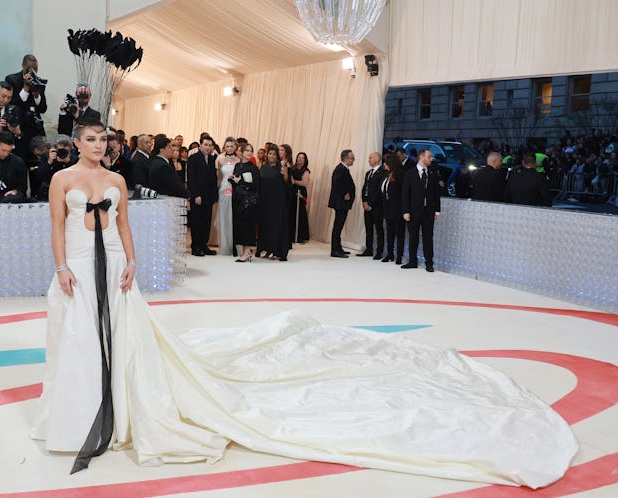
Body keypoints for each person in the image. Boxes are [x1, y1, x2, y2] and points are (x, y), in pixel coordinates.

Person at [30, 120, 577, 485]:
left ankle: (122, 406)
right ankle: (78, 412)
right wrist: (61, 267)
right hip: (76, 266)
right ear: (77, 143)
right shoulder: (60, 179)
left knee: (123, 339)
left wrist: (132, 262)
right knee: (78, 338)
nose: (97, 147)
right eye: (90, 141)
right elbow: (57, 228)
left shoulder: (120, 179)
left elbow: (124, 226)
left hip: (114, 267)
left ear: (108, 145)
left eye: (103, 140)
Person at [401, 148, 441, 272]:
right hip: (413, 211)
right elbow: (405, 194)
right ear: (422, 157)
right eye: (429, 156)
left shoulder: (432, 174)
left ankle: (429, 263)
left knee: (428, 237)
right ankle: (412, 261)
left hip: (428, 211)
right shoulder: (409, 173)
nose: (431, 159)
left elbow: (436, 194)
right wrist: (405, 211)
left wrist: (437, 211)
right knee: (413, 236)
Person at [256, 145, 290, 261]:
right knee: (265, 226)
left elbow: (287, 183)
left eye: (274, 154)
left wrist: (285, 173)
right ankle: (267, 250)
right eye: (270, 153)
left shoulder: (281, 168)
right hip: (265, 202)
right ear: (267, 155)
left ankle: (275, 251)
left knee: (276, 226)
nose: (272, 156)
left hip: (277, 203)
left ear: (277, 156)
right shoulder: (263, 168)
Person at [186, 135, 218, 257]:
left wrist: (214, 196)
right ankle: (196, 246)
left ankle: (204, 245)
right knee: (196, 221)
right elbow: (191, 178)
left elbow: (213, 179)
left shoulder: (211, 159)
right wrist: (196, 195)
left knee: (206, 221)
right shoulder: (193, 158)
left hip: (208, 196)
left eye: (210, 145)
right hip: (198, 196)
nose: (208, 147)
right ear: (200, 145)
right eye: (205, 145)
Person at [230, 143, 260, 262]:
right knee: (240, 225)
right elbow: (236, 181)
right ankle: (245, 251)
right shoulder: (237, 165)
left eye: (251, 151)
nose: (249, 153)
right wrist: (232, 180)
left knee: (248, 226)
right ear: (241, 152)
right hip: (238, 199)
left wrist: (241, 181)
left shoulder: (254, 168)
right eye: (246, 150)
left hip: (248, 201)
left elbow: (255, 185)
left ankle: (247, 252)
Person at [357, 152, 385, 259]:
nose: (368, 159)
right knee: (368, 229)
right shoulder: (368, 173)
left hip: (377, 206)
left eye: (370, 158)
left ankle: (379, 251)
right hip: (367, 205)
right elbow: (365, 188)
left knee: (378, 229)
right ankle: (369, 249)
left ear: (377, 159)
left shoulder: (383, 172)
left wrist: (370, 203)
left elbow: (379, 191)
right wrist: (364, 201)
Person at [328, 149, 356, 258]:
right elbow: (336, 183)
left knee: (339, 226)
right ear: (346, 159)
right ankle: (335, 250)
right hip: (340, 202)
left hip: (342, 202)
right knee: (338, 226)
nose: (353, 160)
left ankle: (338, 247)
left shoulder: (344, 168)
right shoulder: (340, 169)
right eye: (352, 158)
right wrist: (344, 193)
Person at [381, 153, 405, 264]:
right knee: (389, 232)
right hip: (387, 208)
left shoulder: (399, 174)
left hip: (398, 208)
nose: (384, 165)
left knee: (399, 233)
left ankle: (399, 255)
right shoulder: (387, 175)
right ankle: (389, 253)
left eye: (385, 163)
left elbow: (403, 193)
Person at [215, 137, 237, 256]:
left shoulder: (238, 160)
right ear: (224, 147)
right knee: (223, 216)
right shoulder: (220, 158)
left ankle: (233, 244)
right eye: (227, 146)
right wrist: (216, 190)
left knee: (232, 215)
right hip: (223, 189)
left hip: (234, 190)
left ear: (235, 147)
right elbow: (218, 176)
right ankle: (224, 245)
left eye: (231, 146)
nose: (229, 148)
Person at [289, 152, 310, 243]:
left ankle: (300, 236)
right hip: (291, 192)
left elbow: (304, 183)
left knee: (300, 213)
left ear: (305, 160)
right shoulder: (292, 168)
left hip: (300, 193)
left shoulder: (306, 170)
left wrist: (295, 182)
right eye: (299, 157)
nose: (300, 159)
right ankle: (291, 235)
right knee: (291, 213)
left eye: (302, 158)